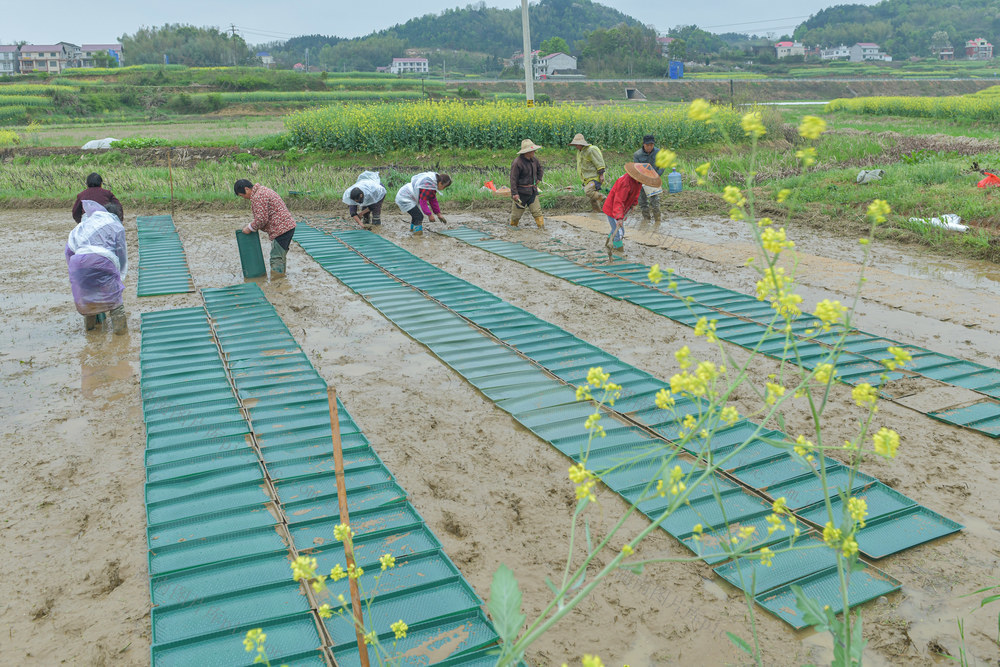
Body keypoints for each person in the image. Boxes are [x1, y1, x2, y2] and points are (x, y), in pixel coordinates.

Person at [66, 200, 128, 334]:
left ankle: (91, 333)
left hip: (77, 264)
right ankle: (121, 334)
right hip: (103, 261)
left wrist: (75, 271)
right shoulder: (115, 225)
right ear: (116, 216)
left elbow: (69, 250)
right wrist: (120, 274)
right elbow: (121, 252)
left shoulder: (84, 225)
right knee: (115, 301)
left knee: (89, 299)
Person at [235, 179, 296, 277]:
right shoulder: (262, 190)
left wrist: (249, 227)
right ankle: (281, 279)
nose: (244, 198)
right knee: (280, 256)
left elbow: (261, 219)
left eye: (242, 195)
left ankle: (277, 283)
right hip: (287, 227)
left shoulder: (258, 196)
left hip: (282, 228)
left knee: (276, 258)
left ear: (247, 189)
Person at [603, 163, 661, 256]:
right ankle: (619, 253)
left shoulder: (637, 182)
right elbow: (618, 201)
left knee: (615, 229)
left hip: (621, 208)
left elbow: (636, 193)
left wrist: (634, 203)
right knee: (620, 233)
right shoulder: (625, 183)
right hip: (613, 209)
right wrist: (619, 218)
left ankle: (608, 244)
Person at [509, 139, 545, 228]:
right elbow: (513, 179)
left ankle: (542, 229)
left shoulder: (534, 160)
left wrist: (539, 179)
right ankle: (512, 229)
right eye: (532, 151)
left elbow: (540, 169)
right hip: (521, 193)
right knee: (515, 216)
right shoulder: (517, 163)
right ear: (527, 152)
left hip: (532, 191)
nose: (534, 152)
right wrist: (515, 193)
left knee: (537, 213)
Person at [569, 133, 605, 212]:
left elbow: (599, 162)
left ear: (581, 143)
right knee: (593, 200)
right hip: (587, 179)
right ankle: (598, 214)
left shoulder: (590, 150)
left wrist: (601, 175)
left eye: (577, 144)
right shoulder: (580, 152)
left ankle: (605, 198)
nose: (576, 146)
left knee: (588, 190)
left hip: (594, 178)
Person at [633, 134, 664, 224]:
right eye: (647, 145)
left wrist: (656, 176)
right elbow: (636, 168)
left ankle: (658, 221)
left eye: (651, 145)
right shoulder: (637, 154)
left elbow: (662, 166)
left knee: (655, 201)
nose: (649, 147)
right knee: (643, 202)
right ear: (643, 144)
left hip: (654, 180)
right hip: (642, 181)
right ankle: (646, 220)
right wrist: (642, 179)